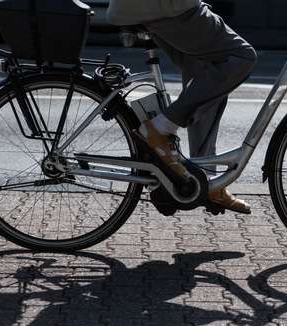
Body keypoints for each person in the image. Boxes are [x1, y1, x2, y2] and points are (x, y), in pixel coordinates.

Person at [106, 0, 257, 214]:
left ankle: (206, 180)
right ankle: (158, 129)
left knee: (210, 73)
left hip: (151, 6)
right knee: (242, 57)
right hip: (168, 7)